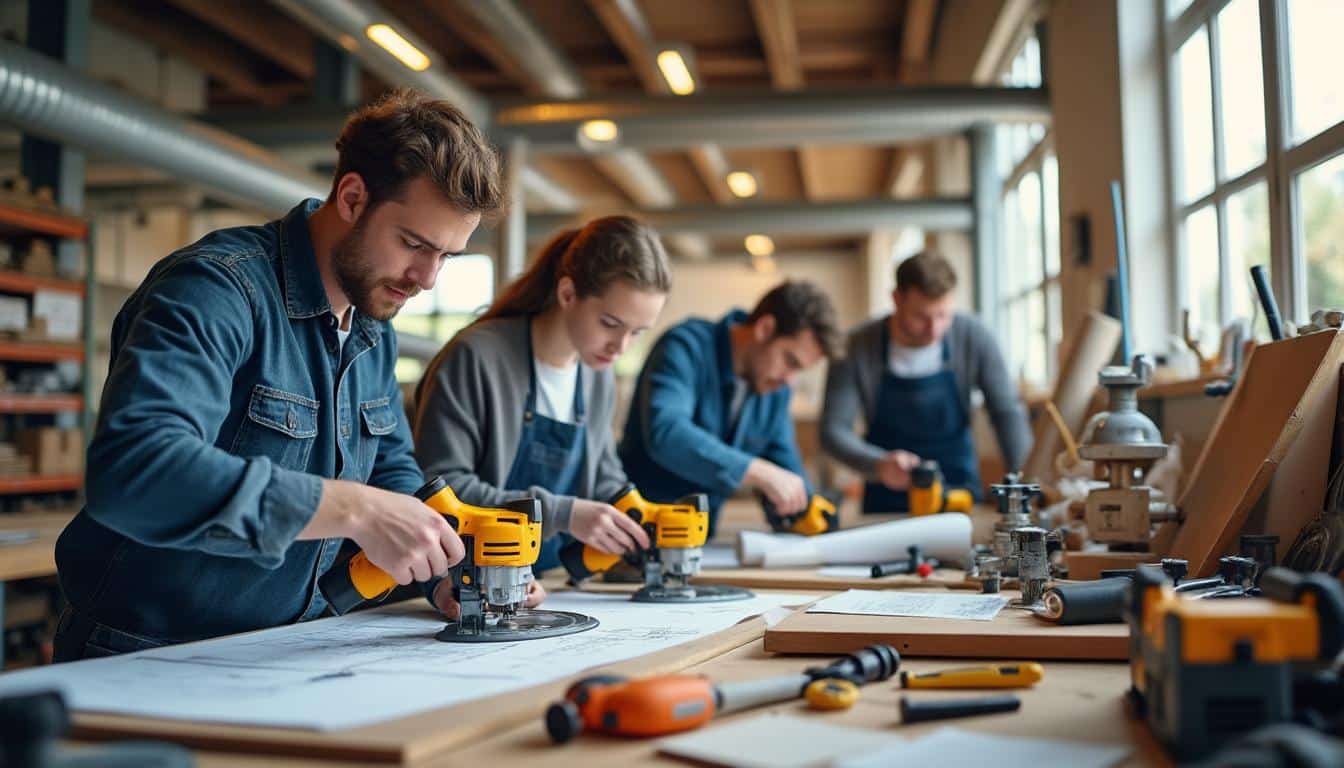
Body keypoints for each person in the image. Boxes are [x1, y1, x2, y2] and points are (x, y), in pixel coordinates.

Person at [52, 90, 500, 661]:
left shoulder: (372, 325)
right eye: (413, 244)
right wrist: (352, 509)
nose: (427, 279)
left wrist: (442, 573)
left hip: (283, 649)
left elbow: (390, 469)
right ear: (354, 197)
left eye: (447, 256)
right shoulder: (215, 289)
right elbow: (136, 470)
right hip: (145, 654)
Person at [413, 216, 669, 581]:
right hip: (465, 581)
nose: (621, 347)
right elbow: (441, 489)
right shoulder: (477, 356)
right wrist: (562, 514)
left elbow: (604, 477)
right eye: (610, 324)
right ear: (567, 294)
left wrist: (640, 519)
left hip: (547, 582)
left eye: (638, 332)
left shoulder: (598, 376)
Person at [619, 280, 841, 535]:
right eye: (790, 361)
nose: (789, 380)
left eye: (799, 370)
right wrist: (757, 471)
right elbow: (667, 433)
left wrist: (808, 510)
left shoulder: (774, 390)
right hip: (633, 536)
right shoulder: (685, 347)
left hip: (701, 541)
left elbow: (787, 471)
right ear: (765, 329)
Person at [821, 250, 1031, 513]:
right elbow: (833, 431)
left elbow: (1006, 411)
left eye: (943, 316)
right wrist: (878, 464)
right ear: (897, 300)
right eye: (921, 317)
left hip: (958, 492)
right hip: (887, 498)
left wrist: (1024, 483)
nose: (934, 330)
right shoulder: (857, 347)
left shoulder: (974, 336)